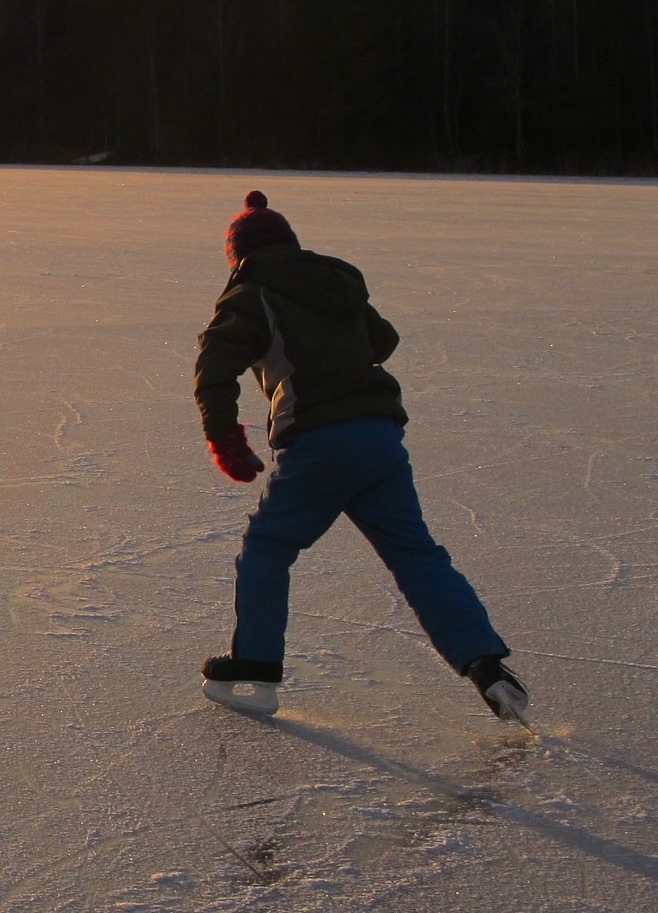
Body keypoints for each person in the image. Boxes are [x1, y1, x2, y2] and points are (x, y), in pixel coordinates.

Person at [193, 190, 528, 722]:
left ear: (238, 256)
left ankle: (256, 663)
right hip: (379, 436)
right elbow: (383, 339)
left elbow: (213, 368)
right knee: (416, 555)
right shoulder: (337, 284)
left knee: (268, 545)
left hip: (321, 441)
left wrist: (225, 439)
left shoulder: (252, 294)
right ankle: (485, 665)